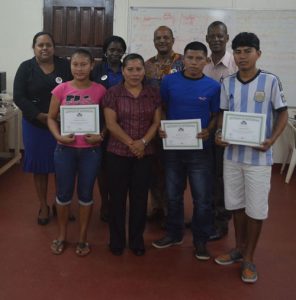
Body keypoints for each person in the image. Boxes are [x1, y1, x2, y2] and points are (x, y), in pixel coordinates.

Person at [214, 32, 288, 283]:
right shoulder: (228, 82)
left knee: (256, 209)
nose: (242, 56)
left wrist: (272, 141)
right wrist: (219, 133)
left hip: (258, 159)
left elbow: (283, 114)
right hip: (232, 155)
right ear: (233, 55)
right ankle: (239, 248)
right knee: (235, 205)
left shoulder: (270, 81)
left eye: (247, 50)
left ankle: (249, 258)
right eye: (238, 51)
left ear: (258, 53)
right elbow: (223, 114)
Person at [152, 42, 220, 261]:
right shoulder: (169, 82)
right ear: (183, 59)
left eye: (199, 59)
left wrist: (209, 130)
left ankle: (200, 240)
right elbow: (161, 108)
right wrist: (162, 126)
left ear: (206, 61)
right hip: (173, 149)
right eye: (189, 58)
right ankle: (174, 234)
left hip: (200, 151)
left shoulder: (213, 87)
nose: (193, 63)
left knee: (202, 198)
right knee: (172, 195)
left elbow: (215, 115)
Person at [48, 48, 106, 256]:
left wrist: (101, 135)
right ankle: (62, 235)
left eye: (83, 64)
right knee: (63, 195)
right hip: (65, 150)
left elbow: (107, 121)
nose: (79, 68)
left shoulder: (100, 90)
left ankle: (82, 238)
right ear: (70, 66)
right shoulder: (61, 90)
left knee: (86, 195)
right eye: (75, 64)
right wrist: (58, 136)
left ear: (92, 66)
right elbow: (50, 117)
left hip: (90, 151)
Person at [103, 53, 161, 256]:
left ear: (144, 71)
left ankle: (137, 240)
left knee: (139, 198)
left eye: (139, 69)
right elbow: (111, 124)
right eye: (130, 69)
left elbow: (156, 122)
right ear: (123, 71)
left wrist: (143, 142)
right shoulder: (113, 93)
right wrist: (131, 143)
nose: (135, 73)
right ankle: (116, 240)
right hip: (117, 153)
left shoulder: (153, 93)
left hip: (145, 154)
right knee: (117, 198)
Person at [13, 32, 72, 225]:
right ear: (34, 47)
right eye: (40, 45)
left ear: (54, 47)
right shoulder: (25, 68)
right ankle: (44, 206)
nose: (44, 48)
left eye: (48, 44)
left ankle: (60, 203)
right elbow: (19, 97)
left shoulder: (65, 66)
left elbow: (76, 88)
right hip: (36, 125)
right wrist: (40, 115)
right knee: (40, 168)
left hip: (64, 125)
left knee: (63, 167)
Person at [145, 25, 183, 226]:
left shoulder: (184, 62)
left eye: (166, 37)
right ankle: (156, 206)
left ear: (173, 39)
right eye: (158, 38)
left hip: (178, 124)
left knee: (174, 168)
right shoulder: (147, 65)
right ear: (153, 41)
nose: (162, 41)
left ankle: (172, 209)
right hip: (153, 124)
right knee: (154, 167)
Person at [203, 21, 238, 240]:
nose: (216, 39)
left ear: (227, 39)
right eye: (212, 36)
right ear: (206, 39)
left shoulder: (236, 64)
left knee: (220, 177)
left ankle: (221, 221)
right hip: (204, 129)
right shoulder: (202, 65)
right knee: (205, 176)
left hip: (224, 130)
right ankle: (205, 217)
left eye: (220, 36)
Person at [92, 35, 127, 222]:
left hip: (125, 126)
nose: (115, 53)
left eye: (119, 50)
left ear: (123, 52)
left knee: (120, 166)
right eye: (111, 49)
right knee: (103, 168)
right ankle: (105, 203)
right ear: (105, 51)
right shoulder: (96, 70)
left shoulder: (127, 69)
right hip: (101, 125)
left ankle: (118, 202)